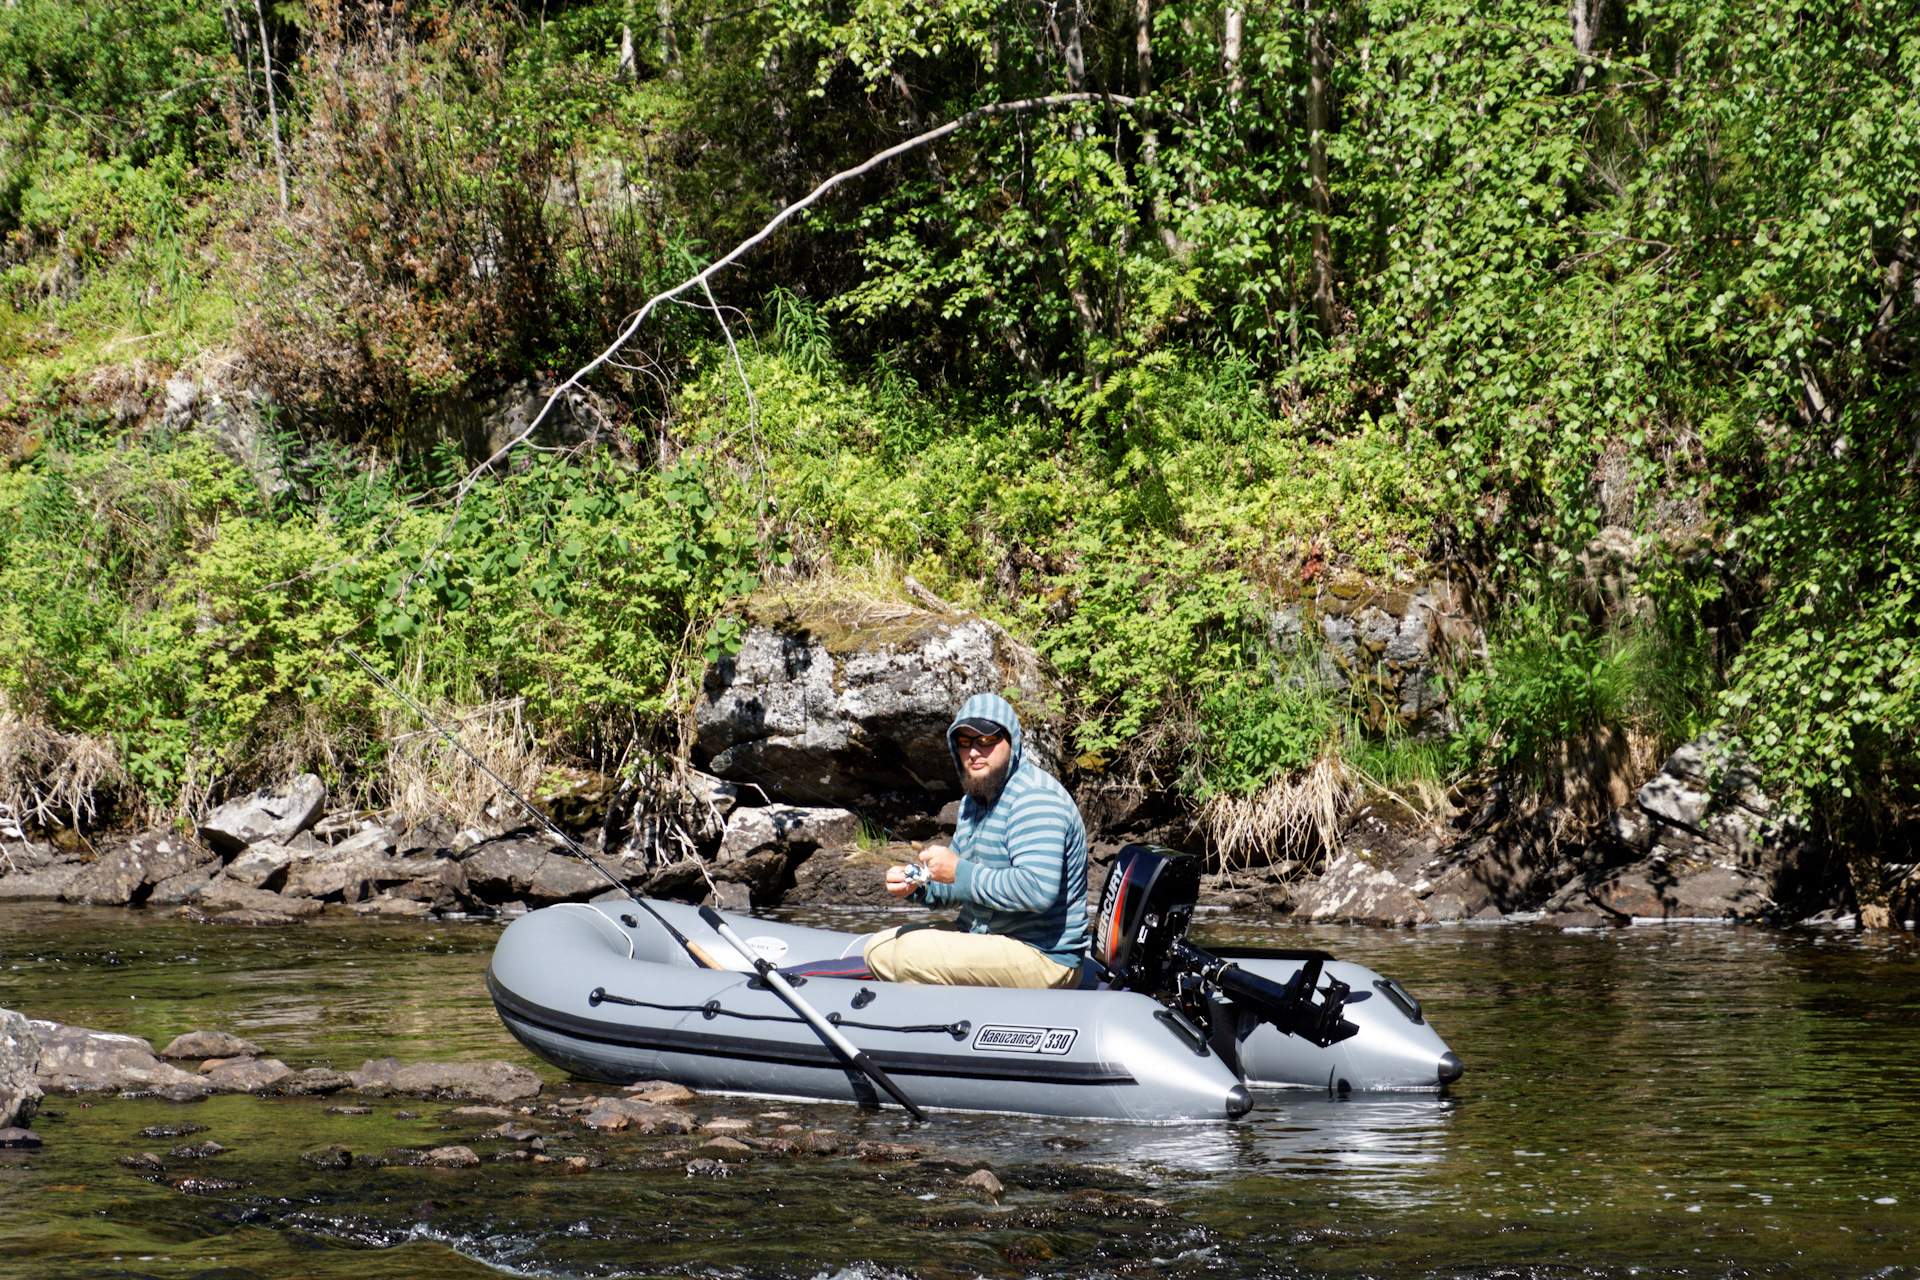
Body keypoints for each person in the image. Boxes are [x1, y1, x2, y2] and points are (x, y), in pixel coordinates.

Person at [862, 692, 1089, 988]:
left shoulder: (1035, 799)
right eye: (965, 742)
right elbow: (955, 885)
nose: (974, 752)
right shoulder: (973, 800)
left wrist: (959, 871)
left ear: (1012, 742)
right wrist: (917, 884)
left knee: (910, 954)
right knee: (877, 949)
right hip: (989, 939)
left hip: (1044, 956)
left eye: (986, 741)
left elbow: (1037, 890)